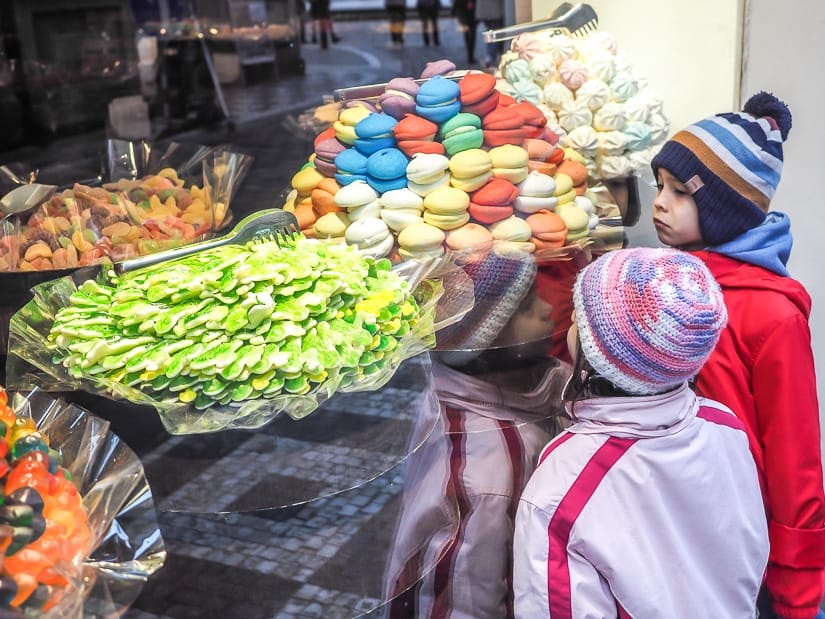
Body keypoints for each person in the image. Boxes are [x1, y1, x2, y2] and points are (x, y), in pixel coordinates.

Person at [513, 247, 770, 617]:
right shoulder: (725, 426)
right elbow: (748, 552)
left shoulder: (562, 487)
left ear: (598, 353)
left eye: (578, 321)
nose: (567, 326)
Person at [650, 92, 825, 619]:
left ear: (726, 209)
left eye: (680, 192)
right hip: (673, 525)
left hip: (743, 546)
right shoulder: (665, 284)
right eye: (658, 186)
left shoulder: (772, 317)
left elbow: (795, 463)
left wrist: (798, 595)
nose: (659, 203)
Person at [383, 247, 586, 617]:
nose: (546, 309)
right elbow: (467, 596)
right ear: (486, 343)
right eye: (526, 308)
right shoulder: (485, 477)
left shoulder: (465, 386)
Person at [475, 0, 503, 69]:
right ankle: (490, 59)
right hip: (493, 11)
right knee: (493, 35)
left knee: (490, 33)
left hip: (485, 11)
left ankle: (490, 58)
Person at [451, 0, 477, 65]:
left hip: (471, 19)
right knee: (469, 37)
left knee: (470, 37)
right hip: (466, 19)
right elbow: (456, 8)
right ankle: (470, 57)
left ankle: (470, 56)